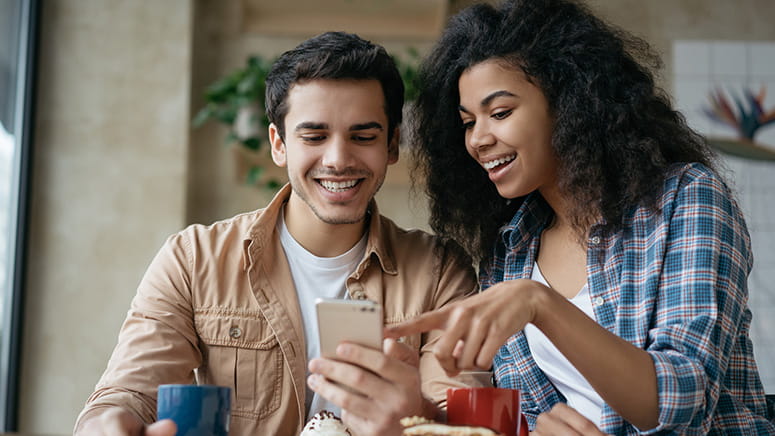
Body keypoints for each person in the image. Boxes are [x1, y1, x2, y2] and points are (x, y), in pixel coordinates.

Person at [386, 0, 775, 434]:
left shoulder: (685, 198)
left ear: (569, 100)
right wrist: (418, 406)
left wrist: (540, 303)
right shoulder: (511, 249)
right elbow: (529, 416)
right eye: (466, 122)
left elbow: (683, 400)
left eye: (500, 113)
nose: (477, 139)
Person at [74, 31, 482, 436]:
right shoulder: (194, 258)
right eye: (314, 136)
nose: (338, 159)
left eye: (363, 136)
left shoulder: (440, 271)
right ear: (279, 144)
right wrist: (105, 425)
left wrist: (418, 417)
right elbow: (126, 394)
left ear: (392, 144)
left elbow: (466, 419)